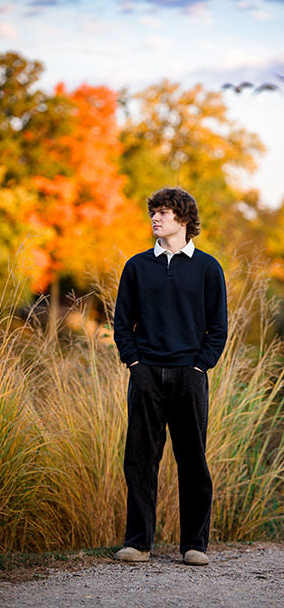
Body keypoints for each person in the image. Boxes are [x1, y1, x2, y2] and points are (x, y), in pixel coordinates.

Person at [113, 186, 228, 566]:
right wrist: (135, 365)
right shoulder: (137, 266)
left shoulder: (208, 268)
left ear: (183, 219)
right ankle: (138, 544)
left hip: (189, 377)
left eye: (162, 212)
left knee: (192, 460)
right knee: (140, 459)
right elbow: (121, 325)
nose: (155, 218)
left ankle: (194, 545)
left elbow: (218, 327)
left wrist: (200, 367)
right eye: (153, 213)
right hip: (146, 376)